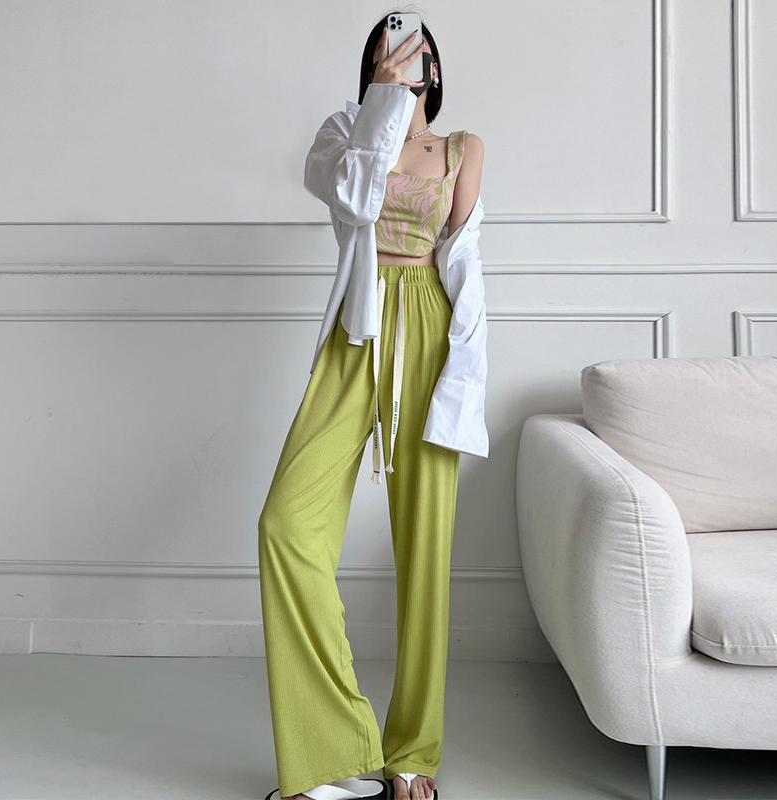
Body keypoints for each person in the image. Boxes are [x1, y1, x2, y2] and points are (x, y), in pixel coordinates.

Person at [259, 13, 489, 800]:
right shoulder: (342, 134)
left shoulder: (464, 150)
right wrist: (382, 105)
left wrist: (464, 376)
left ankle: (413, 752)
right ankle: (334, 751)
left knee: (425, 551)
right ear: (371, 69)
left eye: (415, 50)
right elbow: (357, 200)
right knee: (287, 525)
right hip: (355, 330)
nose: (403, 57)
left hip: (428, 328)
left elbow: (463, 261)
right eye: (387, 53)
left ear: (435, 67)